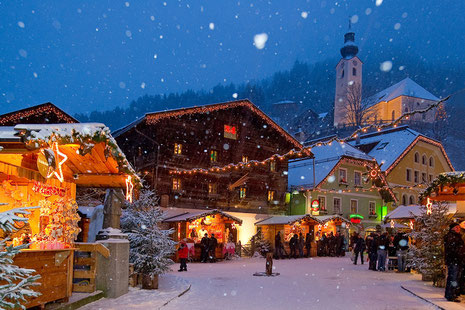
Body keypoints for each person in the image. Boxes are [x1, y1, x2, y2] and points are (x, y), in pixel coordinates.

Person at [444, 223, 465, 302]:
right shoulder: (452, 237)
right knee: (453, 278)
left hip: (456, 260)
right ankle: (451, 295)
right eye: (456, 227)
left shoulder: (456, 236)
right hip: (454, 260)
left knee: (454, 277)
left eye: (459, 227)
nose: (458, 229)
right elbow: (452, 250)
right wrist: (460, 253)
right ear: (452, 228)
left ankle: (452, 294)